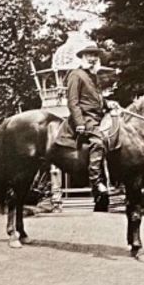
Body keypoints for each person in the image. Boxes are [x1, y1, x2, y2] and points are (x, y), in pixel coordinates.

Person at [62, 43, 111, 209]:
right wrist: (80, 123)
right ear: (82, 57)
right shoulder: (76, 74)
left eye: (95, 55)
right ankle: (96, 182)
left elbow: (96, 98)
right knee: (98, 141)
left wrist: (108, 103)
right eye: (89, 55)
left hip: (98, 116)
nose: (93, 58)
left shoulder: (93, 76)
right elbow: (73, 101)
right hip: (86, 117)